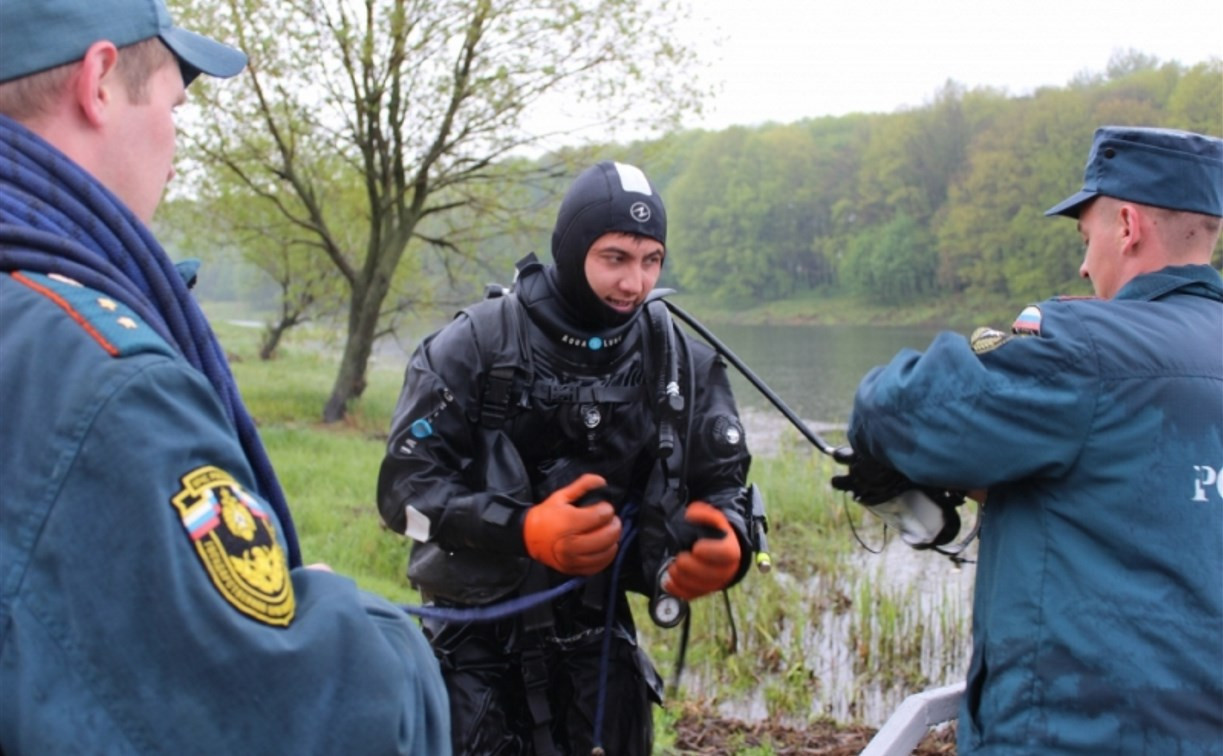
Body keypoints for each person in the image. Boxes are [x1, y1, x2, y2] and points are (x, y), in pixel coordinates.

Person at [0, 1, 450, 752]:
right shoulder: (105, 387)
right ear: (100, 80)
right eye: (176, 102)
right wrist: (347, 618)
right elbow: (310, 721)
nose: (175, 140)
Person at [832, 126, 1222, 754]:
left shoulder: (1089, 348)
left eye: (1086, 236)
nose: (1084, 264)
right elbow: (1154, 496)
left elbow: (903, 410)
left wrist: (884, 424)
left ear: (1126, 226)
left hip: (1074, 735)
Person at [377, 160, 757, 754]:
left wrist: (729, 544)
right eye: (615, 258)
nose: (635, 282)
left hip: (600, 649)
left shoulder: (678, 360)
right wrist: (523, 529)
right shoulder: (474, 346)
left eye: (651, 259)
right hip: (473, 655)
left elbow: (725, 487)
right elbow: (402, 495)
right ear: (573, 248)